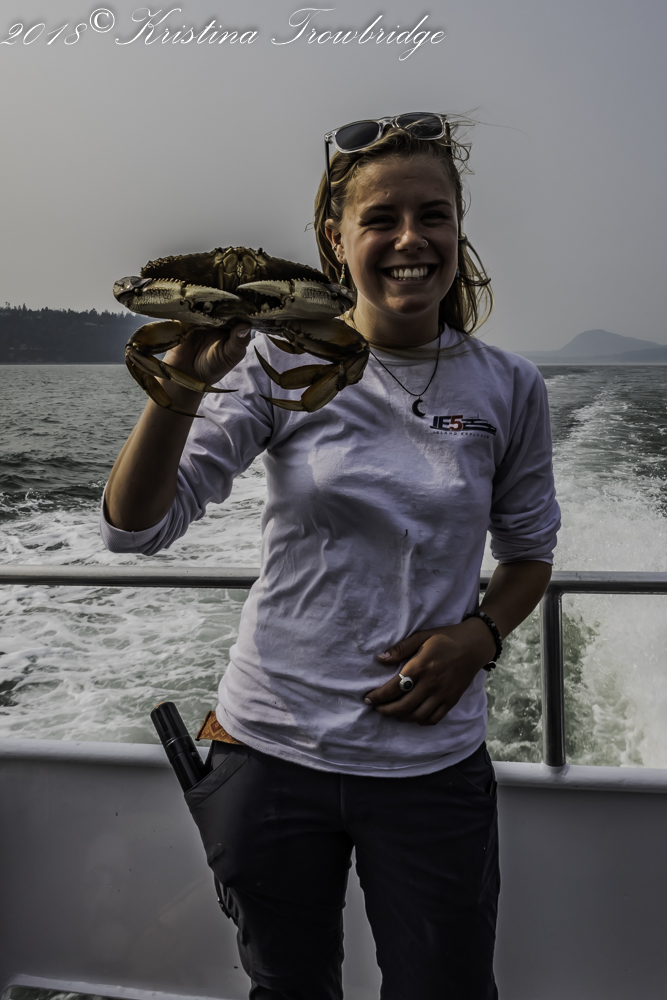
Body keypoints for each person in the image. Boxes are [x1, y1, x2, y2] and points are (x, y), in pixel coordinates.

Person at [102, 113, 560, 1000]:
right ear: (334, 240)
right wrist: (182, 383)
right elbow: (136, 528)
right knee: (288, 987)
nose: (409, 240)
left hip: (427, 765)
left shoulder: (508, 385)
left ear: (458, 231)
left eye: (432, 216)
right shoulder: (273, 362)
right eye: (380, 219)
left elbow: (528, 552)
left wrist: (480, 637)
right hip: (269, 749)